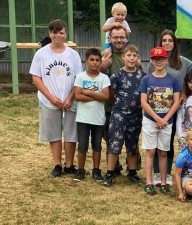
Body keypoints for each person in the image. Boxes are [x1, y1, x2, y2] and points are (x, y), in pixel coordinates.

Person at [30, 19, 82, 177]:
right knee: (53, 133)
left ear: (66, 34)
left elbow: (78, 79)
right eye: (54, 32)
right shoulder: (41, 54)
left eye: (61, 32)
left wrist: (70, 98)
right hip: (49, 101)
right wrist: (51, 97)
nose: (58, 35)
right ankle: (57, 164)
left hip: (70, 100)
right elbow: (36, 78)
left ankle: (69, 165)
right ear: (49, 33)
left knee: (71, 133)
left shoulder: (73, 55)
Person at [147, 29, 192, 186]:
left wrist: (185, 91)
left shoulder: (182, 62)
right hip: (155, 111)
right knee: (154, 142)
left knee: (167, 142)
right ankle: (155, 174)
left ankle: (166, 173)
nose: (167, 43)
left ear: (174, 43)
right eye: (164, 40)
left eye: (170, 40)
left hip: (174, 110)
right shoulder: (153, 62)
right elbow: (148, 83)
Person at [101, 44, 147, 186]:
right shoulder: (116, 75)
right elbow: (111, 94)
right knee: (115, 143)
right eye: (129, 55)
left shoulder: (143, 76)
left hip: (135, 115)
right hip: (119, 114)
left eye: (134, 56)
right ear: (123, 57)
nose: (132, 58)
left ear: (138, 58)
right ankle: (109, 173)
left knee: (132, 144)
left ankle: (132, 172)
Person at [138, 47, 182, 195]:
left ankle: (163, 182)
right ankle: (149, 182)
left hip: (166, 121)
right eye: (156, 59)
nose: (159, 62)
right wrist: (157, 118)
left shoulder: (173, 80)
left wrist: (165, 119)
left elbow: (176, 102)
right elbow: (144, 102)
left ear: (166, 60)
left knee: (163, 152)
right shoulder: (146, 79)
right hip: (150, 120)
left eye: (161, 59)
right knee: (150, 151)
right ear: (151, 60)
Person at [73, 48, 110, 181]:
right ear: (86, 61)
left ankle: (96, 170)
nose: (94, 63)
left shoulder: (104, 78)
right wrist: (97, 95)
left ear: (101, 62)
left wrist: (87, 92)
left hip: (98, 118)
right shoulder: (80, 77)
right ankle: (80, 170)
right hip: (83, 118)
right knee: (82, 145)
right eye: (91, 60)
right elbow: (77, 95)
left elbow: (106, 96)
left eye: (97, 60)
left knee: (97, 145)